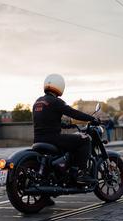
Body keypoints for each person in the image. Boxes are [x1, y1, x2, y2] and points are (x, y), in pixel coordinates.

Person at [33, 74, 99, 204]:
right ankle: (81, 174)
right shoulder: (56, 102)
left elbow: (46, 121)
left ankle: (45, 196)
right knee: (84, 139)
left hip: (38, 140)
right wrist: (92, 118)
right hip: (52, 139)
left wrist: (65, 124)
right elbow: (73, 112)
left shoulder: (37, 102)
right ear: (59, 86)